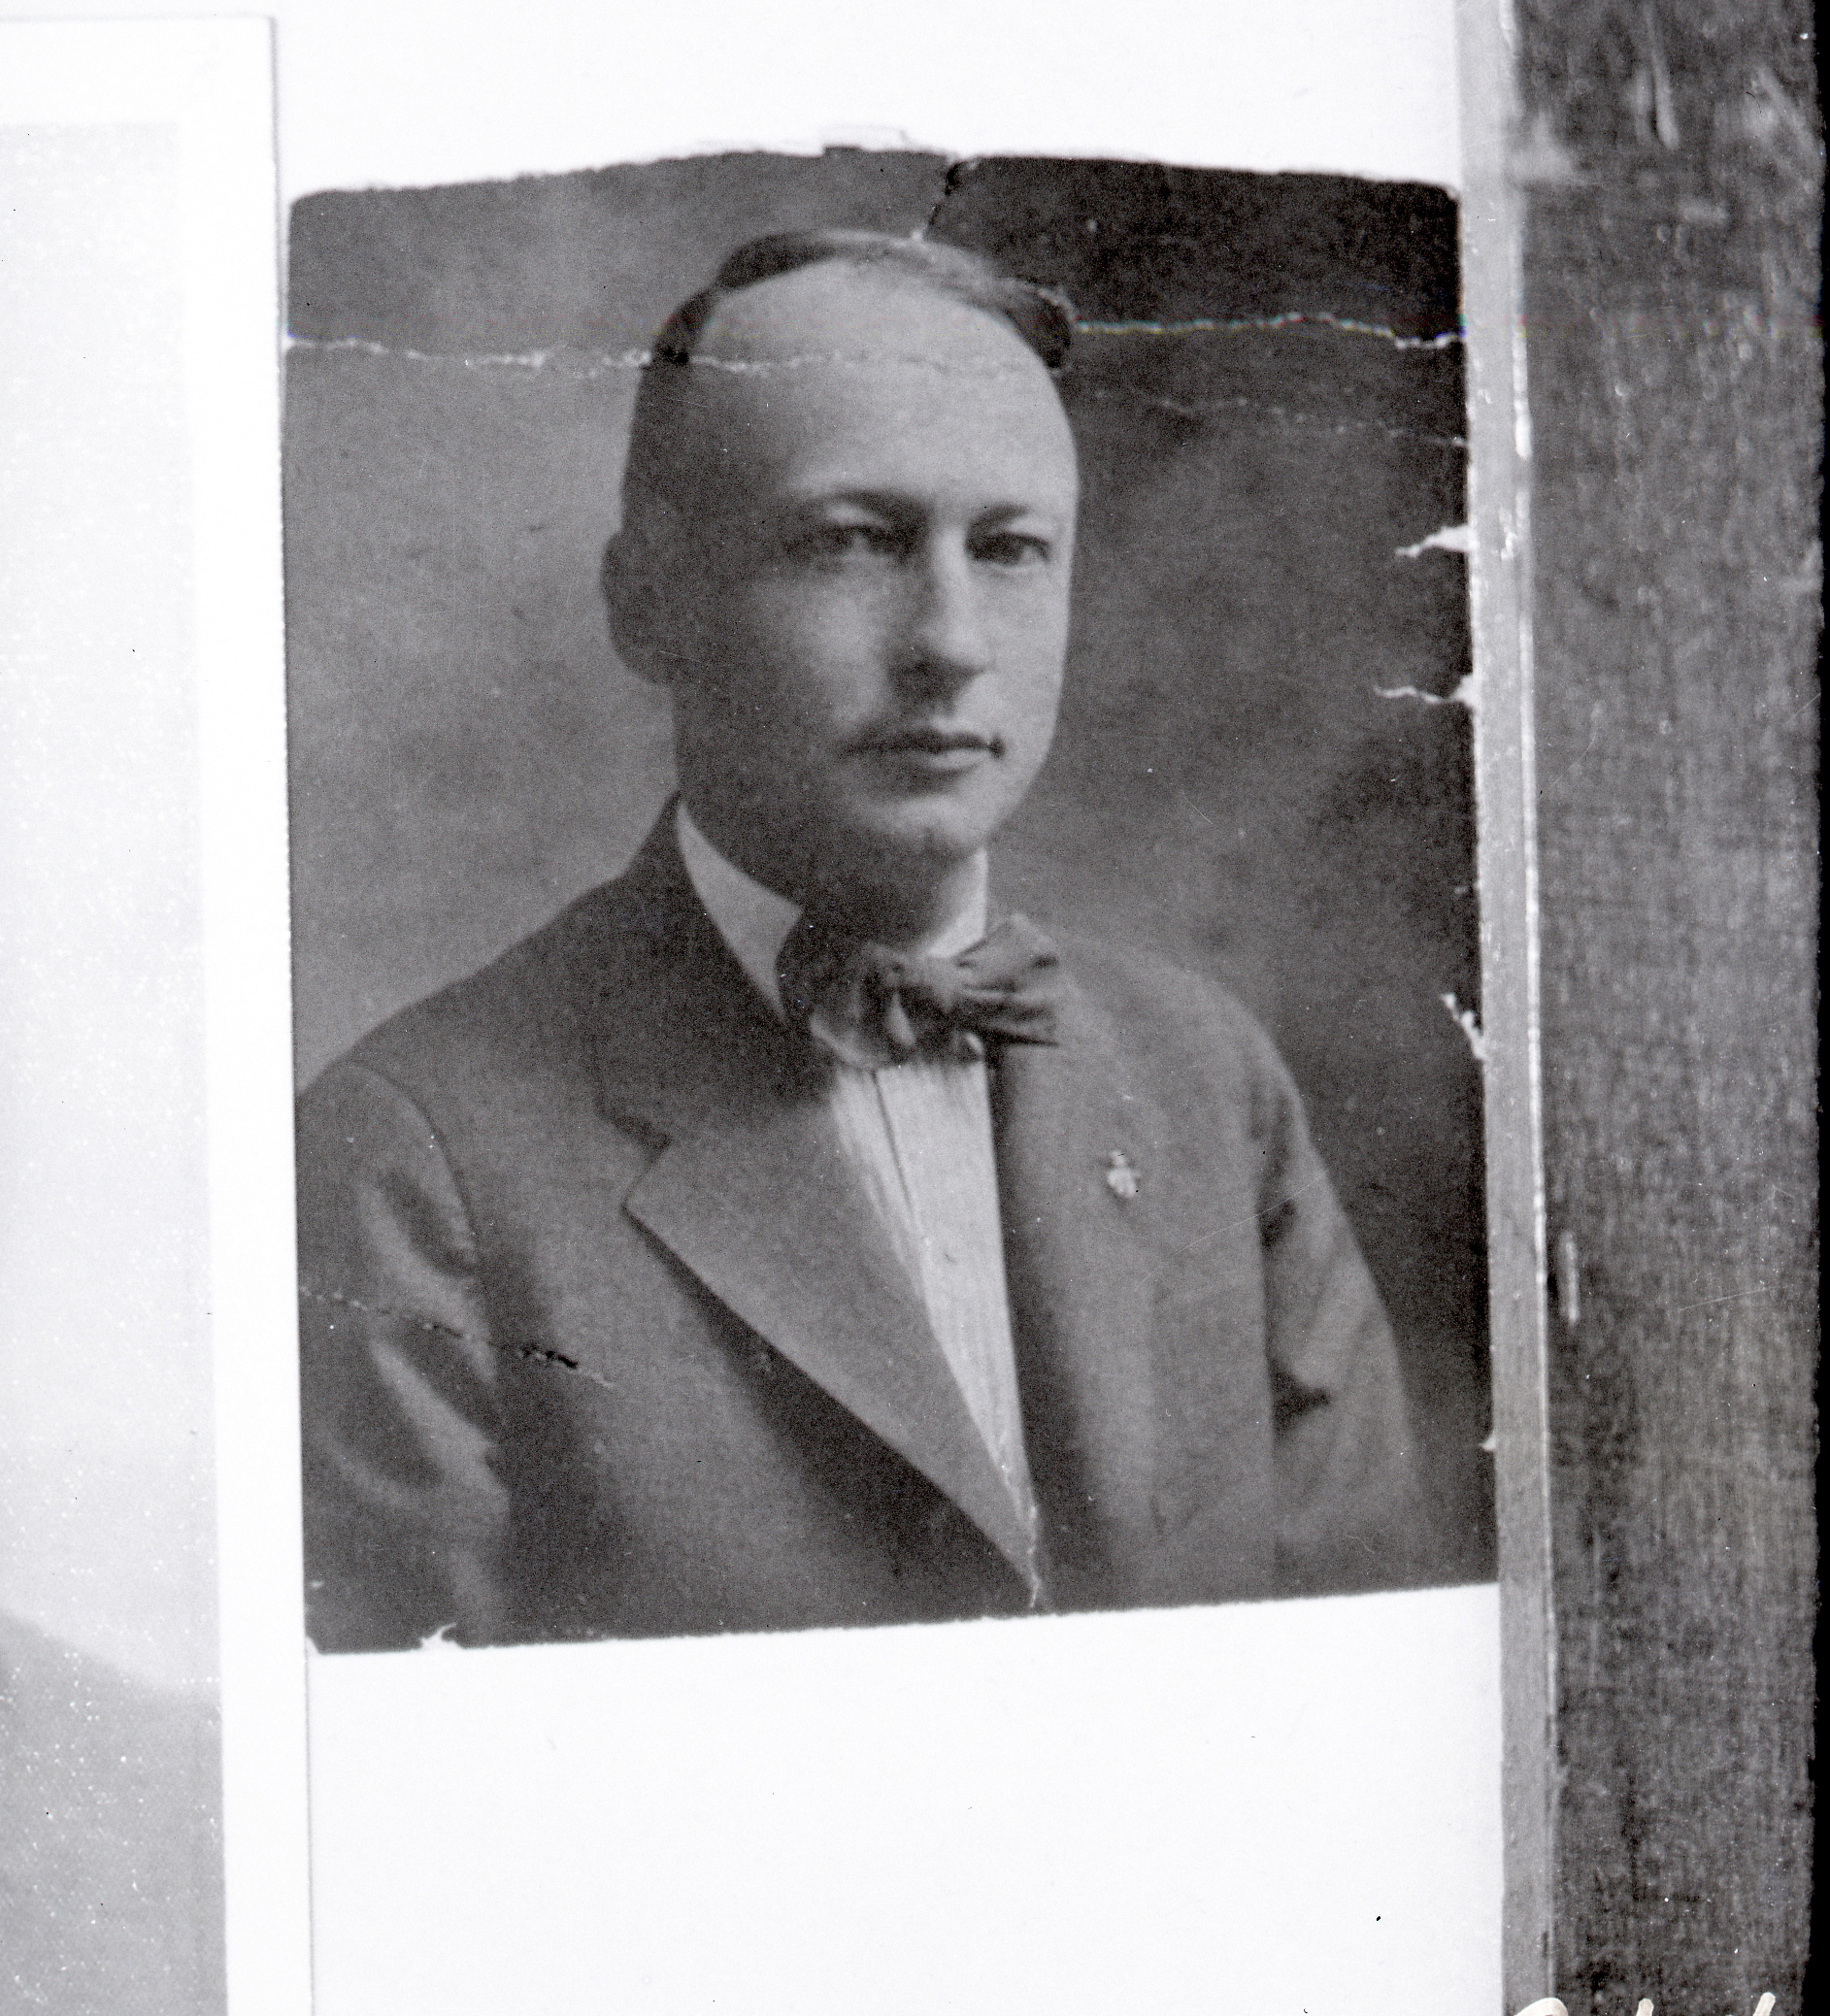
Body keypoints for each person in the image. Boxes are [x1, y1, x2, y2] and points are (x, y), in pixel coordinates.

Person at [296, 228, 1426, 1651]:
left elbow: (1356, 1669)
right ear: (646, 603)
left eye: (1009, 549)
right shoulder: (415, 1164)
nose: (950, 641)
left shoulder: (1204, 1076)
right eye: (852, 541)